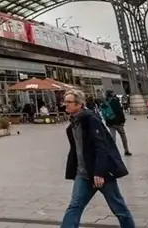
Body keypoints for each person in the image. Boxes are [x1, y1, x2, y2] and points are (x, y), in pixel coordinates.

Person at [59, 89, 135, 228]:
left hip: (101, 173)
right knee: (74, 206)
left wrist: (99, 173)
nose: (66, 105)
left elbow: (102, 147)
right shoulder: (73, 124)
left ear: (79, 104)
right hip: (83, 174)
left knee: (119, 208)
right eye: (65, 102)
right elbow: (76, 150)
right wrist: (74, 170)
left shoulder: (91, 120)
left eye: (69, 102)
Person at [101, 90, 131, 156]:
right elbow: (119, 111)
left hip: (110, 122)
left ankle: (112, 152)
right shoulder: (115, 100)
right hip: (117, 122)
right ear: (111, 94)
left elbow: (104, 113)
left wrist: (107, 121)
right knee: (123, 136)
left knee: (112, 138)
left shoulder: (104, 102)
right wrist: (122, 121)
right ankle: (126, 150)